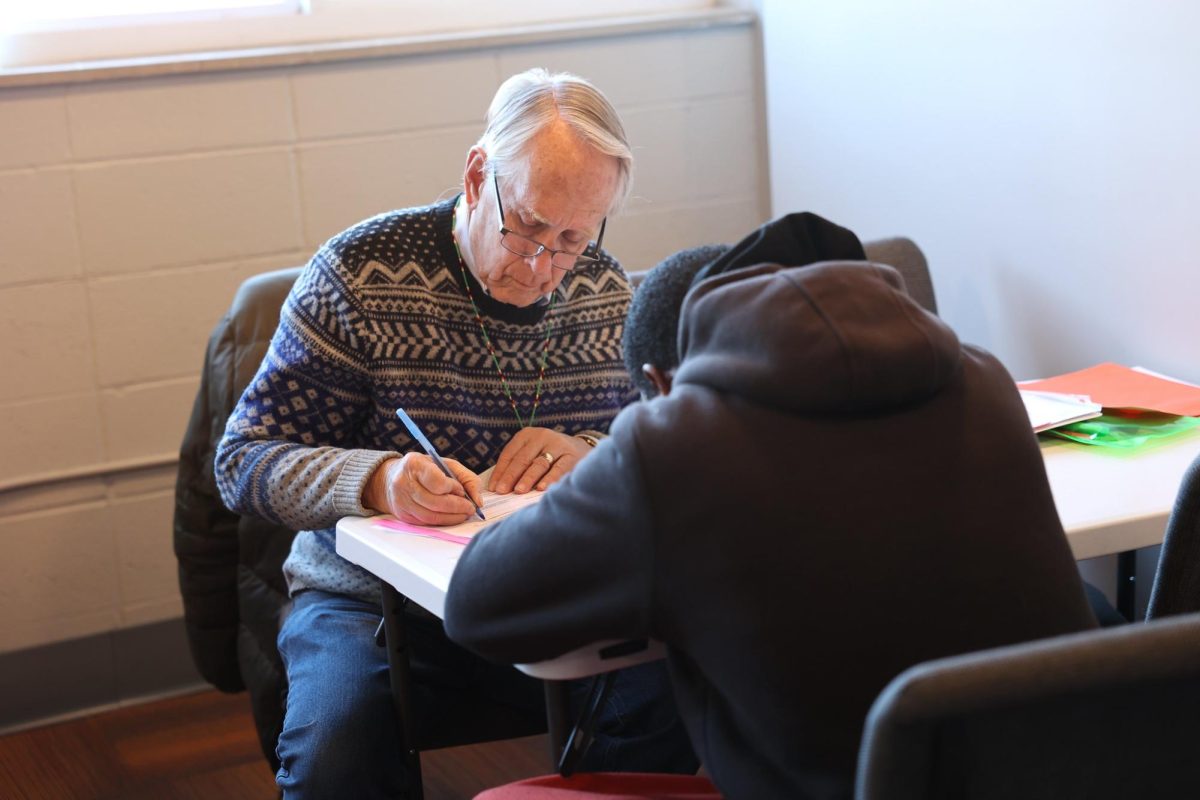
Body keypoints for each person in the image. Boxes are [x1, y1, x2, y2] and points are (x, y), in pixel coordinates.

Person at [444, 247, 1100, 798]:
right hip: (1067, 774)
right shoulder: (985, 379)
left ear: (656, 382)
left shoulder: (671, 444)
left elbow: (476, 604)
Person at [215, 68, 697, 798]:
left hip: (548, 588)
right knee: (336, 757)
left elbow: (650, 440)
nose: (542, 267)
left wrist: (590, 454)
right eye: (528, 227)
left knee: (686, 683)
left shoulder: (601, 288)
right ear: (478, 176)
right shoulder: (359, 275)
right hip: (374, 601)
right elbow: (243, 460)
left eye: (572, 238)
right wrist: (377, 482)